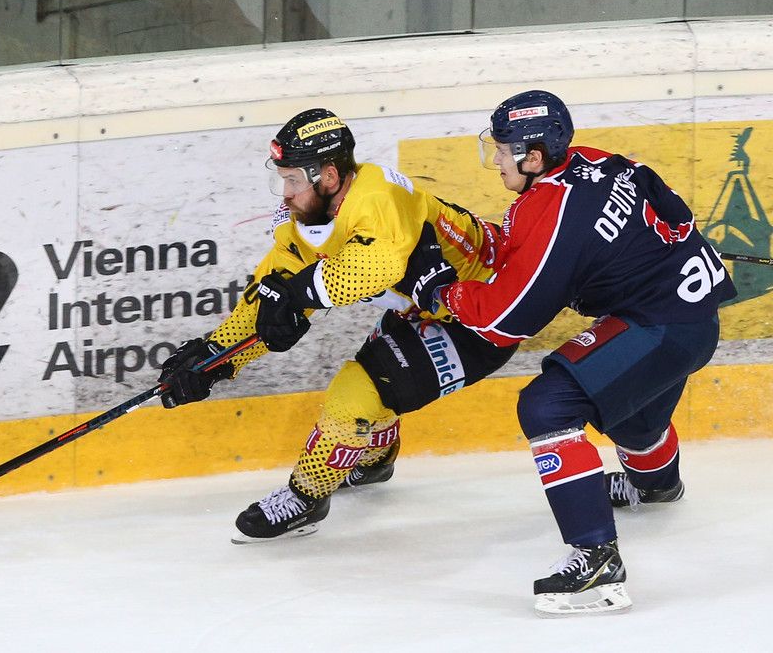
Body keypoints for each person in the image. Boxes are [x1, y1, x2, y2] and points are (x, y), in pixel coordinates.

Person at [406, 90, 737, 616]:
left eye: (503, 150)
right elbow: (677, 217)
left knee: (547, 406)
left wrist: (438, 291)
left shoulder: (552, 209)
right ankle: (657, 486)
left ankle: (597, 564)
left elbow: (505, 320)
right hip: (692, 317)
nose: (496, 160)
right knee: (632, 414)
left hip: (660, 324)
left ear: (534, 157)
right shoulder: (595, 161)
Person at [157, 107, 516, 543]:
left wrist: (295, 296)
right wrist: (215, 358)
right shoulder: (310, 216)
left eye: (293, 181)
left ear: (328, 176)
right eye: (282, 180)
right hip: (427, 308)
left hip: (486, 316)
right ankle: (376, 459)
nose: (285, 194)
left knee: (354, 393)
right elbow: (273, 296)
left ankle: (306, 498)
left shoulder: (379, 198)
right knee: (380, 379)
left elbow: (373, 269)